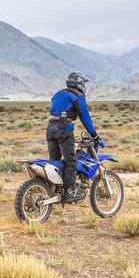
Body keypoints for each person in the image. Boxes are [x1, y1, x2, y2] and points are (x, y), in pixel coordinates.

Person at [46, 71, 102, 202]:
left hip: (50, 129)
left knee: (55, 161)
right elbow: (85, 116)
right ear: (79, 84)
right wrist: (94, 136)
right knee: (71, 160)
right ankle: (68, 192)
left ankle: (53, 190)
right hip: (64, 129)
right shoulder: (77, 95)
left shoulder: (58, 93)